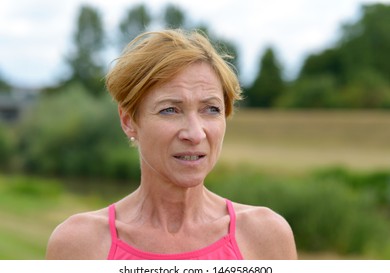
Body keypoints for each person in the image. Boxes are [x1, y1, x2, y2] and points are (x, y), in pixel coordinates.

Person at [46, 29, 297, 260]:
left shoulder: (266, 236)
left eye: (211, 109)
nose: (195, 133)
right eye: (169, 110)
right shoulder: (78, 245)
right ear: (128, 121)